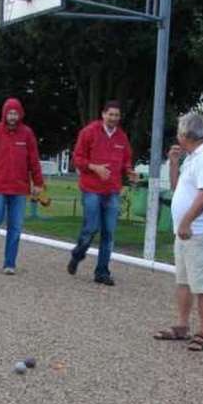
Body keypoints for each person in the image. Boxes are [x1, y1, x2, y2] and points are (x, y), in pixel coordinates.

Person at [155, 112, 203, 351]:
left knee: (202, 283)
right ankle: (182, 325)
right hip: (186, 232)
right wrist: (174, 164)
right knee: (183, 280)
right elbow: (178, 189)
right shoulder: (192, 157)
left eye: (178, 132)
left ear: (185, 134)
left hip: (202, 232)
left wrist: (186, 222)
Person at [67, 100, 137, 285]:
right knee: (91, 227)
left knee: (109, 232)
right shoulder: (89, 132)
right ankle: (78, 254)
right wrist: (94, 167)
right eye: (110, 114)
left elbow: (126, 160)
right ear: (103, 114)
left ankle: (102, 271)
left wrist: (129, 171)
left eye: (117, 115)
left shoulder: (122, 138)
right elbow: (77, 158)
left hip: (112, 190)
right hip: (91, 188)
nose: (113, 118)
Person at [0, 98, 44, 274]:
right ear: (5, 114)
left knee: (16, 226)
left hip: (19, 188)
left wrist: (38, 182)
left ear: (20, 114)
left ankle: (9, 263)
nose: (13, 116)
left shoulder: (27, 134)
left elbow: (34, 160)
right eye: (10, 113)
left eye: (15, 113)